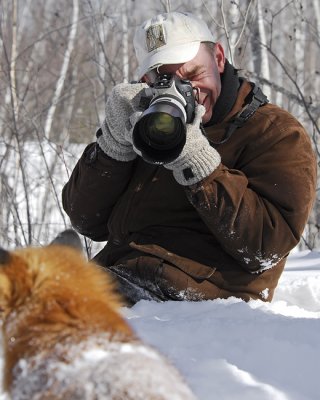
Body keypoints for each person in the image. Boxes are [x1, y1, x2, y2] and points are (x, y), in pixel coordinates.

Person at [62, 12, 317, 304]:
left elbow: (266, 247)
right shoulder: (146, 122)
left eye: (194, 75)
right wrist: (113, 146)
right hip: (119, 278)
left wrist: (200, 164)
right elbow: (85, 220)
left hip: (199, 298)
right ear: (146, 80)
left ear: (219, 58)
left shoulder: (274, 133)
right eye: (165, 81)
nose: (187, 93)